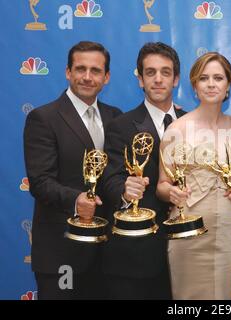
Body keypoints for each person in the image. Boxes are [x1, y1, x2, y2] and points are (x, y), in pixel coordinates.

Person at [23, 41, 122, 299]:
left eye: (95, 70)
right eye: (80, 69)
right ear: (68, 72)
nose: (87, 77)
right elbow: (40, 181)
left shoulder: (115, 117)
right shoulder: (43, 118)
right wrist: (76, 201)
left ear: (107, 77)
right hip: (61, 253)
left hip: (108, 255)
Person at [102, 42, 185, 299]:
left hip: (186, 252)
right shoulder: (121, 125)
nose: (158, 79)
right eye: (150, 73)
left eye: (165, 72)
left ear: (176, 79)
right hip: (137, 255)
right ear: (140, 79)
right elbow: (109, 179)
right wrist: (125, 191)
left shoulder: (193, 123)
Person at [156, 52, 231, 300]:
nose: (211, 84)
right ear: (194, 86)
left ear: (228, 85)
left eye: (218, 78)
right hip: (189, 227)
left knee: (225, 296)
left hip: (228, 228)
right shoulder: (177, 129)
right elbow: (162, 184)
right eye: (204, 78)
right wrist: (169, 191)